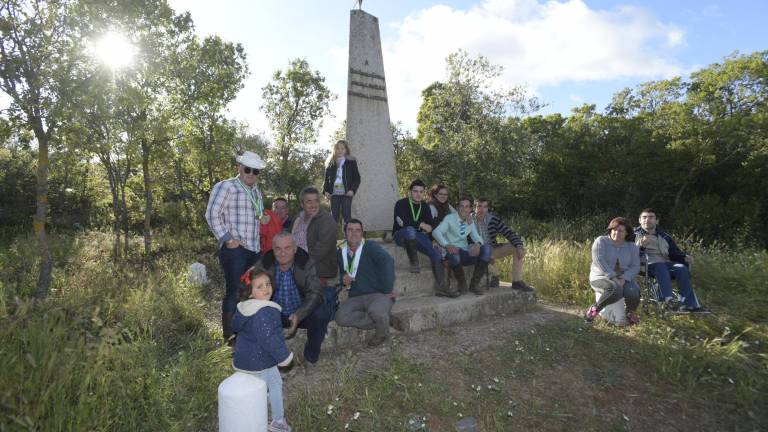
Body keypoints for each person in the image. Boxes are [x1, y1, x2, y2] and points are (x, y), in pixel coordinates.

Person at [205, 151, 269, 344]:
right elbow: (211, 214)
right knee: (233, 291)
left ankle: (247, 332)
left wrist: (263, 218)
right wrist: (228, 239)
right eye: (247, 169)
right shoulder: (226, 186)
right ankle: (230, 339)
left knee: (250, 291)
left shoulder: (256, 191)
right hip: (235, 250)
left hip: (254, 250)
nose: (251, 173)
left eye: (255, 170)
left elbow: (256, 214)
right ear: (239, 168)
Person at [254, 232, 332, 364]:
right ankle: (265, 357)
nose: (282, 253)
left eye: (287, 248)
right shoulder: (264, 264)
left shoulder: (306, 263)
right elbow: (252, 292)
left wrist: (298, 314)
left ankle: (311, 355)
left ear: (295, 249)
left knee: (321, 312)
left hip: (301, 313)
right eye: (278, 249)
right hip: (275, 314)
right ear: (273, 250)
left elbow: (316, 293)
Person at [231, 267, 294, 432]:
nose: (266, 288)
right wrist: (284, 356)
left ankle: (269, 417)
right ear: (250, 293)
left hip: (246, 359)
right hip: (261, 360)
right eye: (260, 286)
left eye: (267, 284)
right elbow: (269, 339)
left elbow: (235, 326)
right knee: (268, 387)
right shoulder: (265, 311)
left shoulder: (244, 308)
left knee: (272, 384)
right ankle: (272, 422)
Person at [335, 219, 397, 347]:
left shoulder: (370, 247)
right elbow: (342, 274)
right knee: (340, 317)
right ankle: (384, 319)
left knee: (376, 311)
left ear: (362, 233)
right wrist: (343, 279)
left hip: (378, 295)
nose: (354, 233)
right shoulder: (340, 252)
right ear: (345, 233)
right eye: (350, 230)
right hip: (356, 296)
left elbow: (388, 262)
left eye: (358, 230)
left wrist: (387, 290)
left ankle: (381, 333)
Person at [634, 209, 709, 313]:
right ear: (639, 220)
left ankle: (689, 305)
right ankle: (668, 302)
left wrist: (684, 256)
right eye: (644, 217)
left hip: (665, 264)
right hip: (644, 265)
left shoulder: (664, 236)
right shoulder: (633, 235)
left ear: (657, 221)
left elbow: (674, 253)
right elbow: (629, 255)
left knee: (681, 268)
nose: (647, 220)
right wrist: (641, 247)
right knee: (661, 266)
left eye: (651, 217)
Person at [393, 179, 456, 297]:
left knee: (436, 252)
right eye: (415, 191)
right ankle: (414, 262)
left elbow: (431, 225)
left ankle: (441, 287)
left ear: (424, 193)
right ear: (410, 192)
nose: (418, 194)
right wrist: (420, 224)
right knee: (410, 230)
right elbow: (401, 222)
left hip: (418, 236)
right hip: (401, 235)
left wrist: (433, 239)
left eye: (421, 192)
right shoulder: (401, 203)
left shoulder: (425, 206)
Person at [585, 217, 641, 324]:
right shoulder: (601, 241)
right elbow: (599, 260)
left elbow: (635, 266)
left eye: (620, 231)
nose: (616, 233)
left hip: (624, 278)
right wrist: (614, 278)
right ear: (610, 230)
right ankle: (594, 310)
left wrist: (624, 279)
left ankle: (630, 313)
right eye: (614, 229)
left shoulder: (632, 247)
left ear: (626, 233)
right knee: (615, 289)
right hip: (601, 277)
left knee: (633, 291)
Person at [433, 196, 492, 295]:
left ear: (470, 209)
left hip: (465, 252)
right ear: (457, 207)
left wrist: (477, 244)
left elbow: (477, 237)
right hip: (453, 253)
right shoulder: (449, 218)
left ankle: (474, 284)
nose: (464, 209)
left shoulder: (470, 220)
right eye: (461, 206)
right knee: (454, 253)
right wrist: (447, 245)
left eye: (467, 207)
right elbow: (436, 232)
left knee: (487, 248)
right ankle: (462, 283)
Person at [473, 199, 534, 292]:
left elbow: (508, 232)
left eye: (485, 207)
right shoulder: (469, 220)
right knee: (483, 253)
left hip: (492, 249)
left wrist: (519, 246)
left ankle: (517, 281)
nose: (482, 209)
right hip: (476, 251)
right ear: (474, 208)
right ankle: (494, 275)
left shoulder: (493, 219)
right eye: (479, 206)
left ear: (488, 208)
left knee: (517, 248)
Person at [291, 186, 338, 285]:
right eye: (309, 201)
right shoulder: (299, 217)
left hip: (318, 270)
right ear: (302, 204)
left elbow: (320, 251)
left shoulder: (327, 221)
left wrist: (296, 263)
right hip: (297, 265)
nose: (313, 205)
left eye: (316, 201)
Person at [323, 140, 361, 224]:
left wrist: (352, 190)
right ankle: (332, 236)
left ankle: (349, 236)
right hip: (334, 194)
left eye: (342, 148)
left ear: (346, 150)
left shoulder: (351, 162)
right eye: (337, 148)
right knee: (334, 216)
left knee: (347, 215)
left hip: (346, 193)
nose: (340, 150)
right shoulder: (330, 163)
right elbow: (326, 180)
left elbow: (357, 178)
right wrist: (325, 191)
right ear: (334, 150)